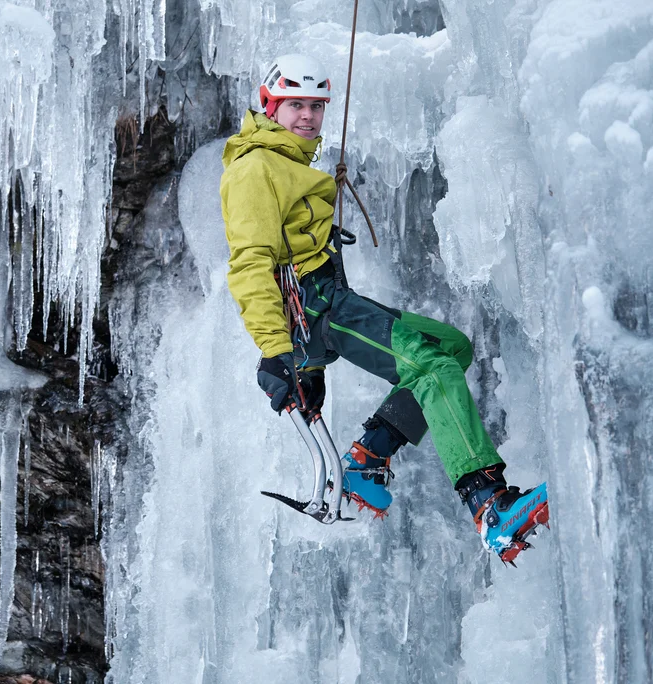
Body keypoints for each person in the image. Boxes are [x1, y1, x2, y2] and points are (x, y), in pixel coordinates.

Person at [219, 54, 548, 562]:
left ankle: (367, 457)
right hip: (317, 309)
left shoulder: (288, 162)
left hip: (333, 298)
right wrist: (278, 351)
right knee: (433, 368)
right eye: (295, 105)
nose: (307, 116)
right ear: (269, 106)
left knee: (449, 346)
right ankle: (489, 504)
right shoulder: (255, 168)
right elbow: (250, 264)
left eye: (316, 106)